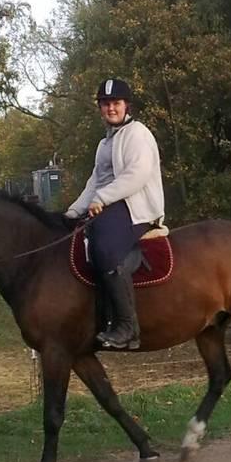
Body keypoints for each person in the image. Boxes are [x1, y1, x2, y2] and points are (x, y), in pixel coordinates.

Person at [64, 77, 165, 349]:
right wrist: (73, 212)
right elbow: (95, 182)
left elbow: (137, 175)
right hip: (112, 205)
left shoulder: (138, 134)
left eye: (116, 103)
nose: (111, 108)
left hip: (138, 208)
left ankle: (128, 326)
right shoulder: (104, 144)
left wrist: (102, 198)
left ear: (126, 105)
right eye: (106, 104)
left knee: (105, 248)